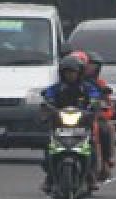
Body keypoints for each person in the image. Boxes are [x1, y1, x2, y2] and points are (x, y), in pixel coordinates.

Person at [42, 53, 104, 191]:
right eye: (67, 72)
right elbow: (47, 95)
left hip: (81, 126)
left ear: (80, 73)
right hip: (60, 126)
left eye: (73, 72)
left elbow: (96, 95)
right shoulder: (57, 88)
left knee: (91, 145)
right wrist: (48, 103)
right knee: (49, 145)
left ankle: (91, 176)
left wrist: (94, 103)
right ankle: (49, 177)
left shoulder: (86, 87)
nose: (70, 75)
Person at [81, 50, 116, 179]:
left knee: (106, 129)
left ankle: (106, 160)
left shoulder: (100, 84)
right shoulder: (69, 83)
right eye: (90, 65)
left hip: (93, 118)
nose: (92, 69)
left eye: (95, 66)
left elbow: (108, 105)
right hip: (74, 119)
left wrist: (103, 113)